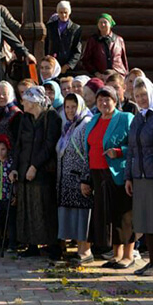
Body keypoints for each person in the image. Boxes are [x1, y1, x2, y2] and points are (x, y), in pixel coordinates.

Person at [80, 85, 135, 269]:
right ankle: (116, 254)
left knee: (123, 215)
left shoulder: (125, 118)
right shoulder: (94, 120)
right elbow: (89, 149)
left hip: (118, 173)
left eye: (108, 99)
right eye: (100, 100)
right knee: (109, 216)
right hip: (97, 174)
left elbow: (135, 146)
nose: (104, 103)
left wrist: (119, 152)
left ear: (115, 100)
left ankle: (128, 255)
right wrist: (86, 178)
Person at [9, 86, 62, 260]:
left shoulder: (51, 116)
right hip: (24, 169)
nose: (22, 102)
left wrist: (35, 166)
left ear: (33, 102)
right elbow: (19, 145)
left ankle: (52, 245)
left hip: (42, 171)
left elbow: (49, 145)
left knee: (44, 208)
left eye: (25, 99)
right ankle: (31, 244)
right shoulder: (25, 118)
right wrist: (15, 168)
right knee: (27, 208)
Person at [124, 76, 153, 276]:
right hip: (139, 175)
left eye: (144, 95)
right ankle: (151, 261)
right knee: (145, 220)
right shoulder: (137, 118)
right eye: (137, 96)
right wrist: (129, 176)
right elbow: (131, 150)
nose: (141, 99)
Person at [56, 92, 94, 263]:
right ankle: (78, 249)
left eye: (73, 107)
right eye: (67, 107)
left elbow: (88, 153)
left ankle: (85, 250)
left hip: (79, 179)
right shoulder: (68, 126)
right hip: (67, 179)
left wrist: (86, 178)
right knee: (72, 214)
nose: (70, 110)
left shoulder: (85, 123)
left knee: (82, 215)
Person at [45, 1, 83, 74]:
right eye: (61, 12)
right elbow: (46, 45)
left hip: (68, 67)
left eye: (65, 12)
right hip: (52, 64)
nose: (63, 15)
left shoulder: (76, 28)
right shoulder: (50, 27)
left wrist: (68, 65)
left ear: (69, 13)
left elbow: (77, 50)